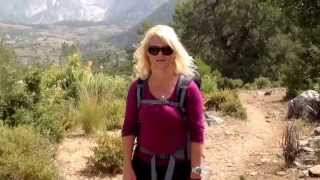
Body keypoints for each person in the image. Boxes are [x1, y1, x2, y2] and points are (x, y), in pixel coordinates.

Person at [122, 25, 205, 180]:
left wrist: (197, 172)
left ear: (174, 52)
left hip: (180, 169)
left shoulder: (188, 89)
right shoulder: (137, 89)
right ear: (146, 53)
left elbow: (197, 133)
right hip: (143, 168)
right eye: (154, 49)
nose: (160, 54)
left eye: (166, 49)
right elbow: (128, 129)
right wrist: (127, 167)